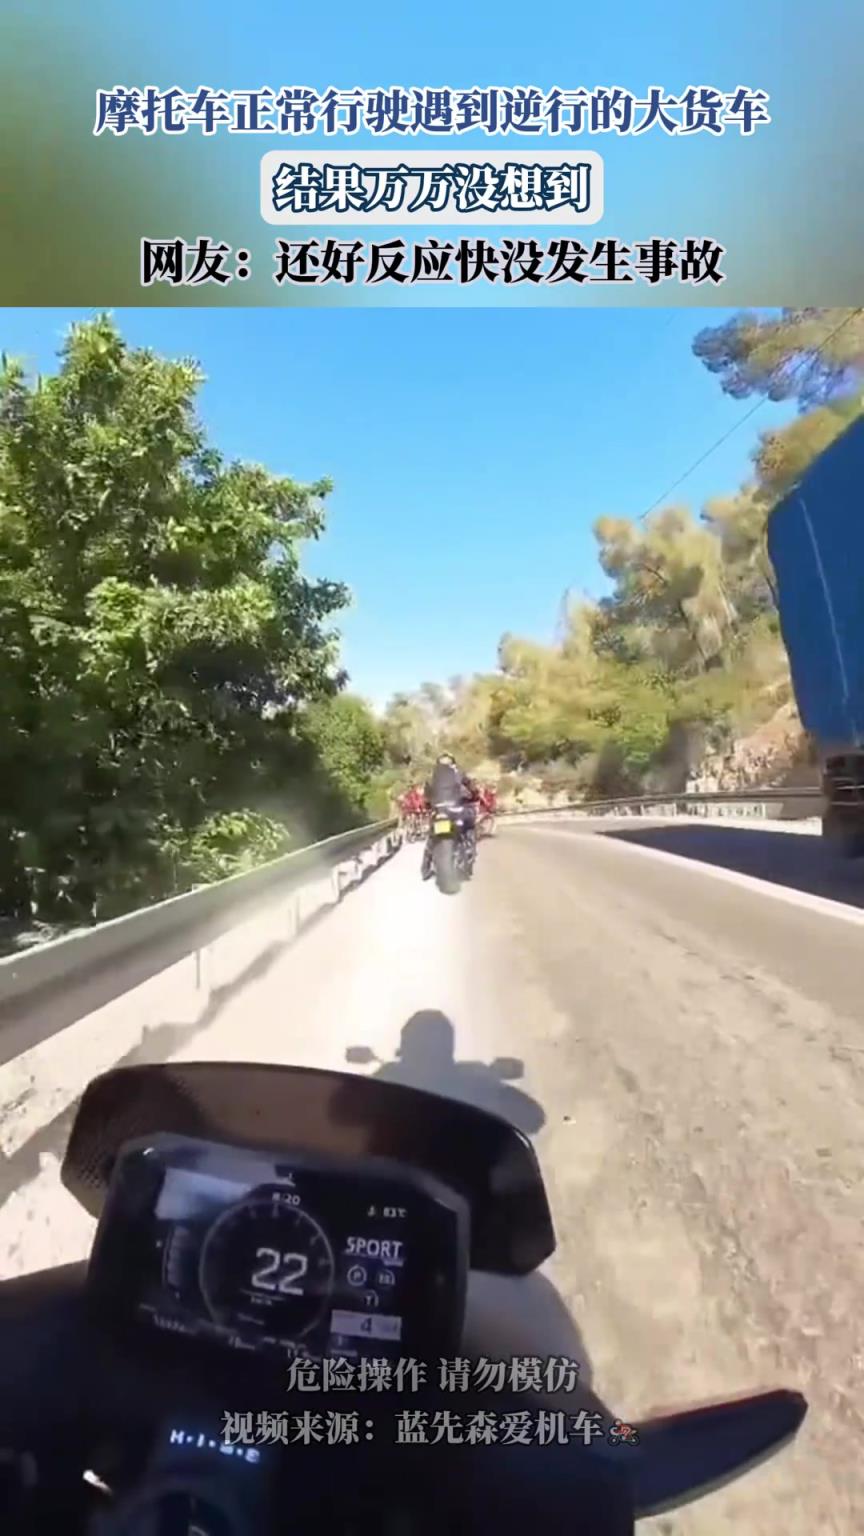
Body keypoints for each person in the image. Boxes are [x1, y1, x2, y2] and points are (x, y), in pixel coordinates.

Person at [421, 753, 480, 879]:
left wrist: (429, 806)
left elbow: (426, 798)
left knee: (431, 838)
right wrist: (474, 795)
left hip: (439, 812)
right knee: (469, 825)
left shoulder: (432, 776)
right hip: (455, 810)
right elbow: (472, 789)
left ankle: (425, 867)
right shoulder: (458, 773)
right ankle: (469, 850)